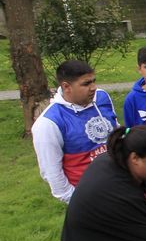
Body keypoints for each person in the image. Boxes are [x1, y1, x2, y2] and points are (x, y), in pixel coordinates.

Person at [32, 60, 118, 203]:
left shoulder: (102, 97)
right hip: (90, 199)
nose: (93, 88)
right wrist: (81, 202)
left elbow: (115, 130)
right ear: (66, 87)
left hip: (120, 185)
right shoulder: (48, 123)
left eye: (93, 81)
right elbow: (52, 174)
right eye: (86, 84)